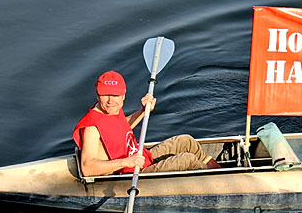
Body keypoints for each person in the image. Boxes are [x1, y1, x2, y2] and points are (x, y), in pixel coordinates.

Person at [73, 70, 221, 176]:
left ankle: (217, 171)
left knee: (186, 141)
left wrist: (143, 111)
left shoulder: (112, 109)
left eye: (115, 95)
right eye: (105, 95)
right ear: (98, 95)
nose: (110, 101)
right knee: (187, 160)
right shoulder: (92, 127)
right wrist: (125, 162)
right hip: (132, 173)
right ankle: (216, 181)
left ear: (123, 95)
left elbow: (117, 128)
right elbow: (87, 168)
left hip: (141, 157)